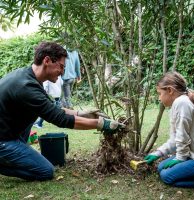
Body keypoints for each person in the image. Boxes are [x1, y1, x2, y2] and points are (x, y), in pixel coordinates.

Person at [0, 41, 125, 181]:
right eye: (61, 66)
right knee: (45, 171)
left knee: (31, 114)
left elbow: (52, 108)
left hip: (8, 132)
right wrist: (102, 124)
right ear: (46, 60)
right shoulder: (26, 87)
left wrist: (80, 113)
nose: (62, 72)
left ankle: (13, 150)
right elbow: (59, 118)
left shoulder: (28, 77)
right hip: (3, 139)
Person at [144, 71, 194, 188]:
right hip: (192, 155)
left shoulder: (182, 103)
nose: (159, 98)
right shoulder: (179, 102)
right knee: (160, 167)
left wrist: (180, 158)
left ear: (170, 90)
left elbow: (182, 138)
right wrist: (158, 153)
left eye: (160, 93)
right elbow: (175, 138)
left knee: (166, 176)